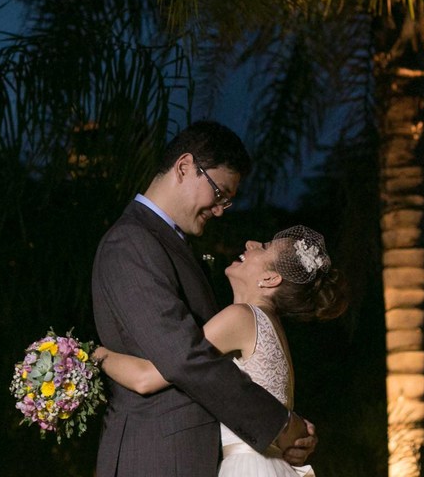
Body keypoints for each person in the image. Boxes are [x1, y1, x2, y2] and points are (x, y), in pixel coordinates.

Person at [90, 121, 319, 476]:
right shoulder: (131, 242)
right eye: (220, 193)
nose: (221, 209)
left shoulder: (174, 245)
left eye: (228, 201)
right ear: (184, 168)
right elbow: (184, 358)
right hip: (158, 456)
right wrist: (281, 425)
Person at [95, 226, 347, 477]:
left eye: (265, 247)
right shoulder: (272, 327)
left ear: (271, 279)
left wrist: (89, 354)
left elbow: (146, 377)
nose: (250, 242)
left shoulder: (242, 318)